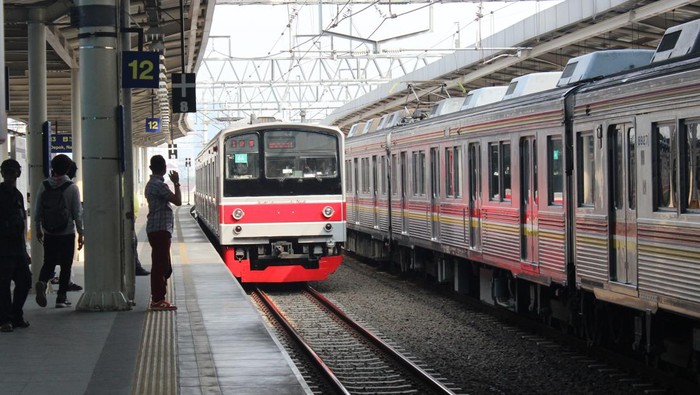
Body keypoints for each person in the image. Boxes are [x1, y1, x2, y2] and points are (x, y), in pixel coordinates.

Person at [33, 154, 84, 309]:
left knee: (48, 262)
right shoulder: (72, 188)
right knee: (66, 265)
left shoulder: (44, 185)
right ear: (68, 169)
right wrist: (81, 233)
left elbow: (37, 210)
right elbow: (77, 213)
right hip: (67, 232)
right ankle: (61, 298)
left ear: (53, 168)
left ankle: (42, 282)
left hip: (49, 232)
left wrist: (38, 229)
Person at [145, 155, 181, 310]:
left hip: (157, 228)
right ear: (165, 168)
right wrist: (177, 183)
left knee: (162, 263)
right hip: (160, 229)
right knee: (160, 264)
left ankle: (159, 297)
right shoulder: (158, 185)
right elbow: (178, 201)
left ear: (151, 168)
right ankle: (158, 300)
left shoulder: (151, 184)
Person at [0, 159, 32, 332]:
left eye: (13, 172)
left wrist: (25, 250)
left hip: (17, 249)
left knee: (25, 281)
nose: (11, 175)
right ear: (3, 173)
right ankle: (5, 319)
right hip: (3, 249)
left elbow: (22, 223)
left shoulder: (18, 195)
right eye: (8, 172)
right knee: (3, 285)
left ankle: (16, 314)